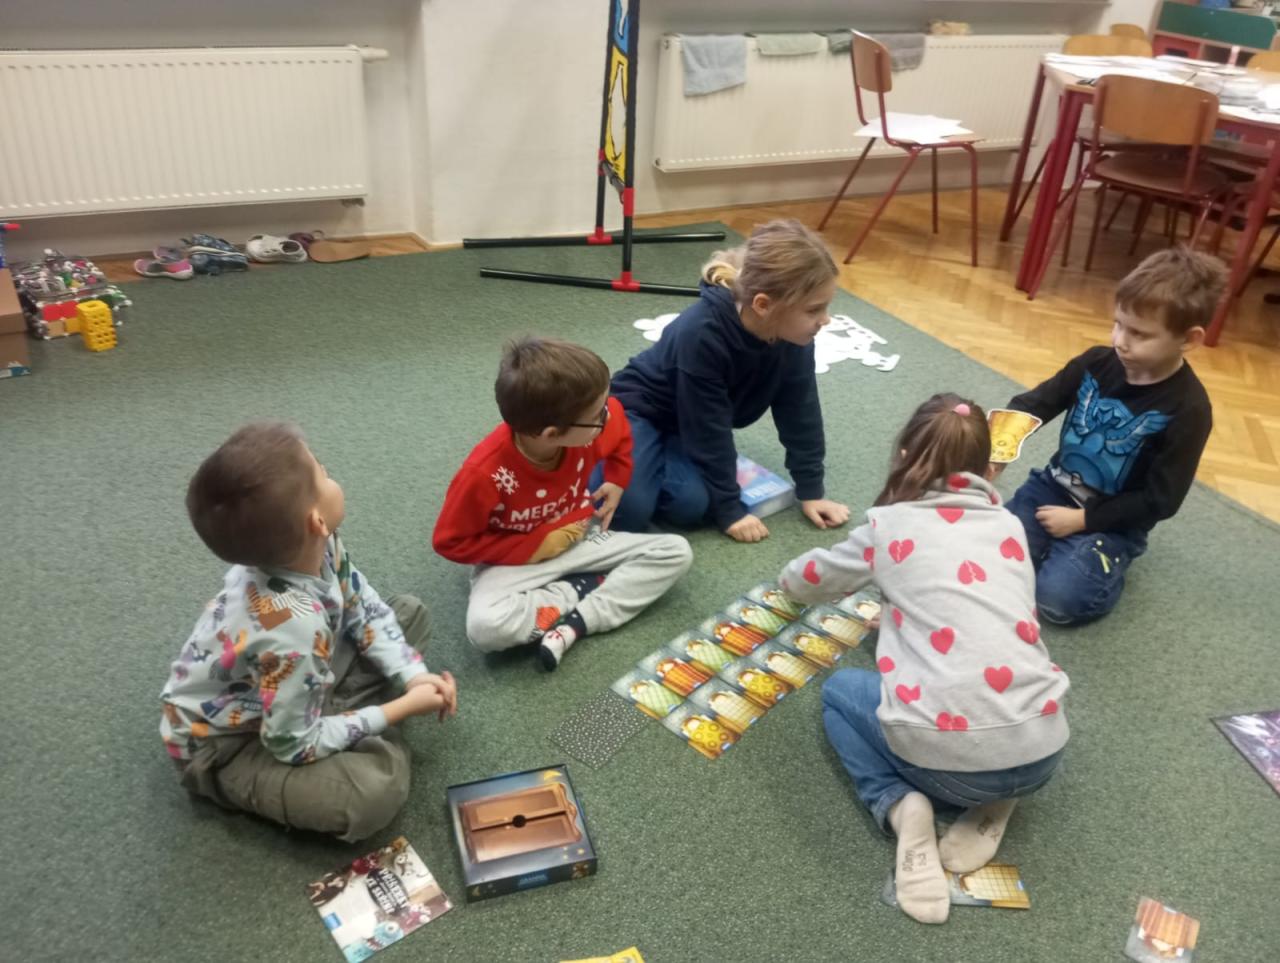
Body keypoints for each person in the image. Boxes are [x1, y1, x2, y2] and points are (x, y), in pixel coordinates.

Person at [778, 394, 1069, 924]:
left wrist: (788, 579)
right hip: (1044, 751)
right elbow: (988, 614)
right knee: (990, 688)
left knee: (839, 693)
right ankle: (998, 800)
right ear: (988, 470)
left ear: (905, 456)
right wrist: (901, 618)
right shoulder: (1009, 526)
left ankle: (898, 804)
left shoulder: (888, 526)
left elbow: (805, 582)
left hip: (948, 768)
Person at [160, 421, 456, 842]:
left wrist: (412, 676)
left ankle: (337, 716)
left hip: (291, 682)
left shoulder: (321, 543)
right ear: (316, 519)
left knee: (409, 613)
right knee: (373, 793)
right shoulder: (292, 632)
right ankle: (349, 727)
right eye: (322, 471)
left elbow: (364, 605)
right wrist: (400, 709)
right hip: (229, 746)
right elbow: (293, 745)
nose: (330, 474)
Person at [432, 337, 692, 670]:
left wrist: (617, 478)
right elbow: (449, 542)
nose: (607, 415)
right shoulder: (484, 474)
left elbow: (620, 429)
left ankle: (576, 617)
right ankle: (582, 590)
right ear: (552, 434)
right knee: (485, 629)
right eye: (597, 414)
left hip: (581, 539)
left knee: (676, 551)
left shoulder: (596, 425)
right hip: (512, 563)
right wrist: (533, 547)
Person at [1002, 247, 1224, 625]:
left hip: (1115, 522)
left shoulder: (1190, 409)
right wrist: (996, 446)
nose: (1120, 340)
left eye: (1139, 334)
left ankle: (1108, 564)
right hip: (1053, 488)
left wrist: (1082, 521)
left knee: (1057, 600)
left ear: (1188, 339)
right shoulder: (1096, 362)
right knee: (989, 554)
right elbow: (1034, 404)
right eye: (1118, 324)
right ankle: (1050, 552)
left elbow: (1161, 500)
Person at [608, 218, 850, 542]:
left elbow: (800, 412)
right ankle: (593, 445)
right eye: (814, 310)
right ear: (763, 305)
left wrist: (811, 491)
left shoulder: (796, 338)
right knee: (630, 512)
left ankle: (651, 461)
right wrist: (730, 511)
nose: (825, 319)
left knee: (690, 507)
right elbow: (708, 427)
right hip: (640, 410)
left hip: (686, 423)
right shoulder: (702, 334)